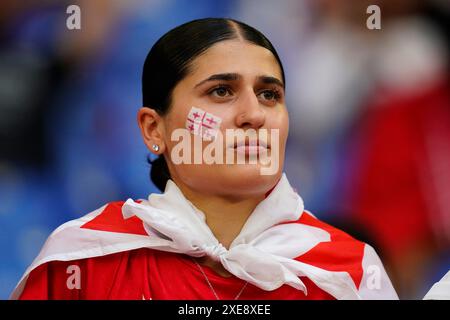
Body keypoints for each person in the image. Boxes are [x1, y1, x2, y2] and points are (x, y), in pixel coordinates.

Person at [11, 18, 398, 300]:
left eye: (269, 95)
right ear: (153, 129)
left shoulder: (350, 272)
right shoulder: (83, 262)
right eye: (221, 92)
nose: (254, 114)